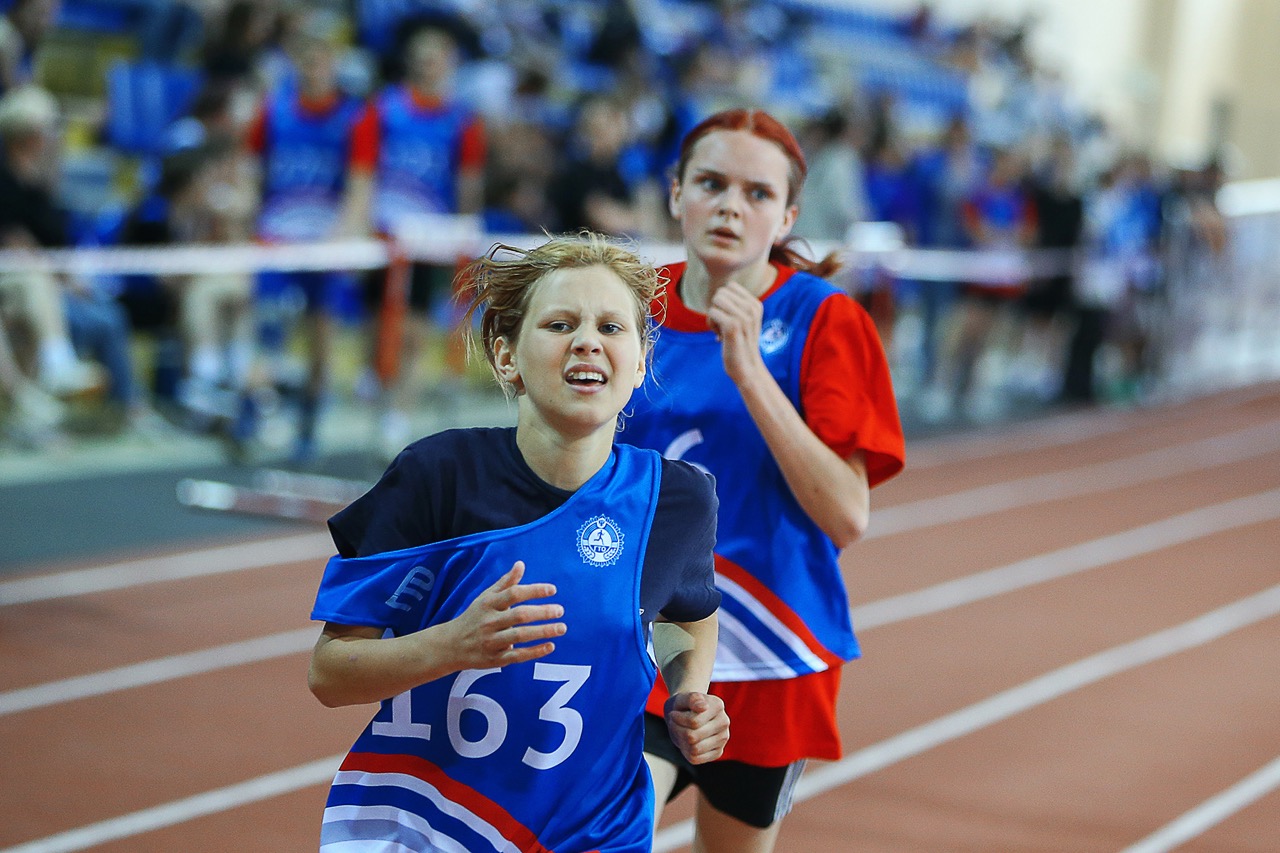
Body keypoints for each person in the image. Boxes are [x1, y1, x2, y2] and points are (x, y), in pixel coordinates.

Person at [309, 233, 730, 852]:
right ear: (506, 357)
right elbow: (329, 674)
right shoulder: (438, 477)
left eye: (612, 327)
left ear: (641, 362)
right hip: (429, 827)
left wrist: (691, 691)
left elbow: (687, 614)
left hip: (596, 831)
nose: (587, 341)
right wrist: (452, 645)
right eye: (560, 324)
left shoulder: (677, 500)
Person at [618, 109, 905, 851]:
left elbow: (846, 514)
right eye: (711, 184)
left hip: (769, 649)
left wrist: (749, 369)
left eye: (756, 193)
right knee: (605, 829)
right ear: (676, 192)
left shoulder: (825, 320)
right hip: (645, 634)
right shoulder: (628, 308)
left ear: (787, 216)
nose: (730, 207)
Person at [238, 9, 375, 463]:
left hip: (326, 241)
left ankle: (308, 424)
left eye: (322, 59)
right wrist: (247, 223)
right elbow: (251, 172)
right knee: (266, 327)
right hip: (277, 236)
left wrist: (341, 237)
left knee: (321, 334)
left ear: (334, 62)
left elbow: (360, 186)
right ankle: (249, 414)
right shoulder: (273, 110)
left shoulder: (355, 117)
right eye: (307, 59)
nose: (315, 67)